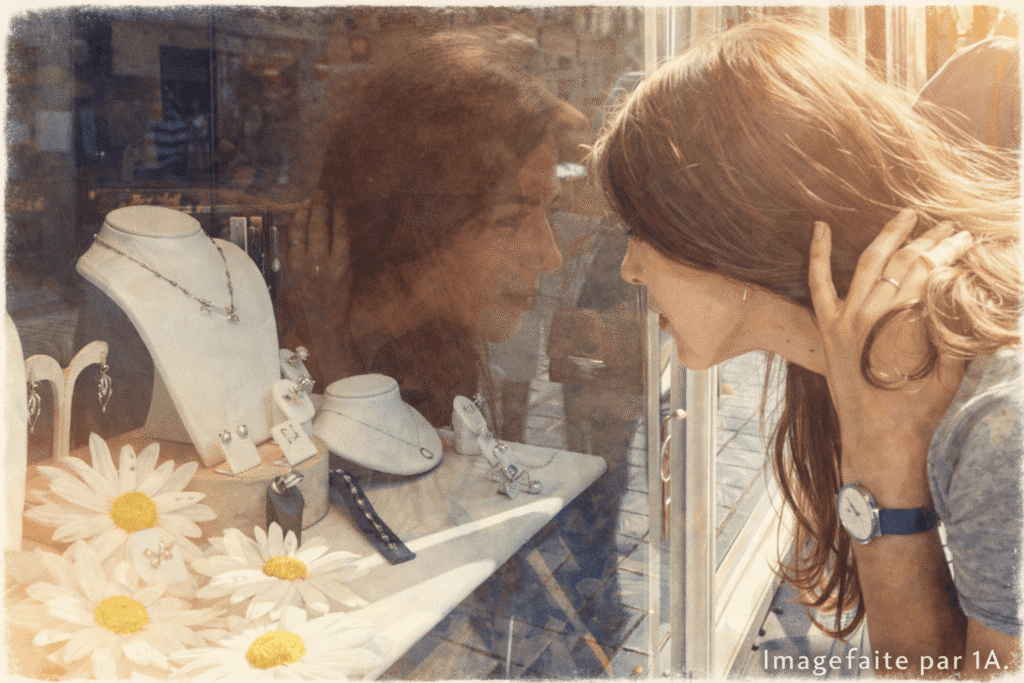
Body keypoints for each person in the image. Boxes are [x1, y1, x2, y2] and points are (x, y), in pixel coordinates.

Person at [592, 20, 1021, 675]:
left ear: (733, 227)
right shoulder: (867, 370)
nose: (628, 270)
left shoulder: (998, 421)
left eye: (638, 231)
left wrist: (883, 460)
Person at [281, 26, 586, 431]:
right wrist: (325, 338)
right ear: (418, 219)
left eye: (549, 212)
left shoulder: (435, 348)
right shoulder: (306, 360)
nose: (550, 256)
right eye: (509, 220)